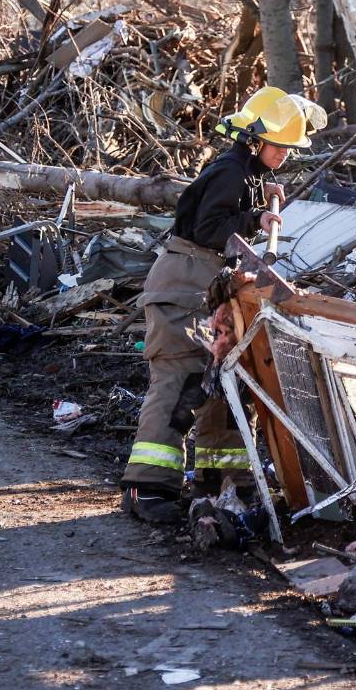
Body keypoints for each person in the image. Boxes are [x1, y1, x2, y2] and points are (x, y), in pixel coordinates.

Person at [120, 86, 322, 523]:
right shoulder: (231, 171)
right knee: (179, 379)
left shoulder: (241, 172)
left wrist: (258, 197)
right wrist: (255, 218)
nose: (285, 155)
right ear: (254, 139)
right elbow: (210, 227)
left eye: (289, 149)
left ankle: (220, 480)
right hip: (183, 283)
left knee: (222, 381)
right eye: (279, 147)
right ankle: (147, 486)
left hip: (206, 284)